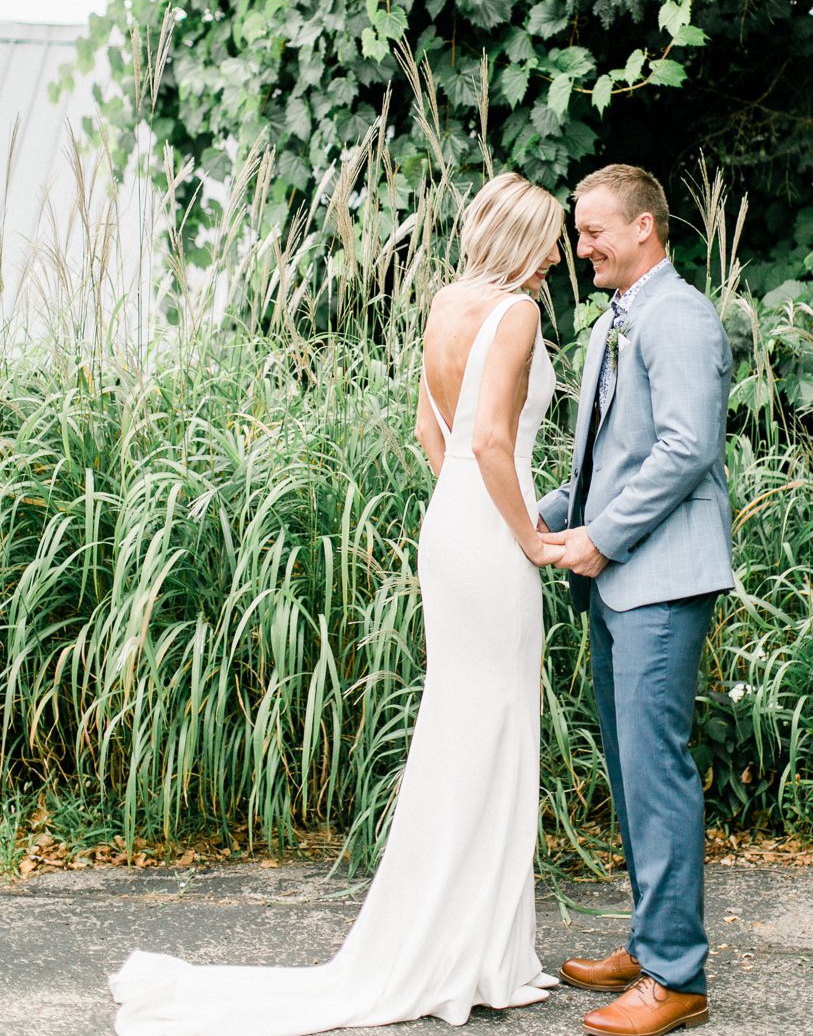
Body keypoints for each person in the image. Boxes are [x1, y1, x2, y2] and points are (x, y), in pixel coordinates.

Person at [109, 172, 566, 1035]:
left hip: (451, 523)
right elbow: (498, 441)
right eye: (548, 238)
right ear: (520, 239)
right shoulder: (517, 314)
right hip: (496, 530)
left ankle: (469, 942)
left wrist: (464, 505)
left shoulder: (444, 305)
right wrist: (532, 541)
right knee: (496, 721)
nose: (556, 255)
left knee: (461, 720)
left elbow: (436, 436)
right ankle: (477, 953)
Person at [538, 164, 732, 1036]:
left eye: (594, 232)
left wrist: (603, 538)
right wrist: (531, 516)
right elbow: (606, 463)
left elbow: (687, 448)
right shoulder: (616, 323)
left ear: (646, 228)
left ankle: (677, 977)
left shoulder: (679, 316)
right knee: (628, 770)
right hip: (619, 582)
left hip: (659, 578)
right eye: (580, 234)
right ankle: (650, 938)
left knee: (656, 773)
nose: (582, 249)